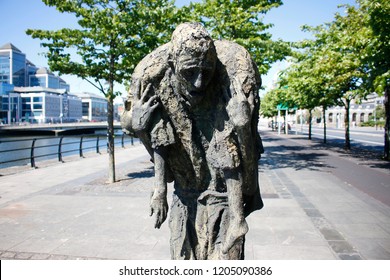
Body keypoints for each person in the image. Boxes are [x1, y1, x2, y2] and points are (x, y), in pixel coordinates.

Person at [122, 22, 263, 259]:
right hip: (185, 197)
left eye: (205, 72)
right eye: (188, 72)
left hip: (226, 200)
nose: (198, 82)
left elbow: (247, 181)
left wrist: (242, 129)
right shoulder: (151, 74)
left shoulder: (236, 70)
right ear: (173, 64)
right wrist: (138, 128)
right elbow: (148, 136)